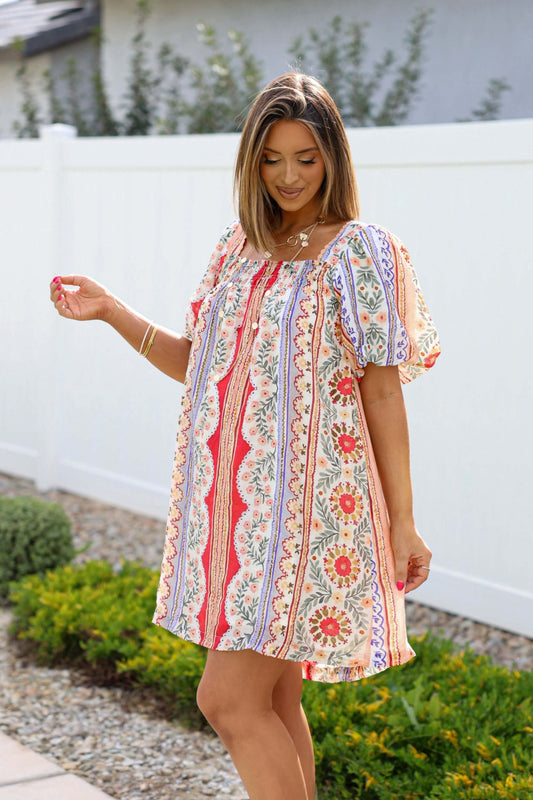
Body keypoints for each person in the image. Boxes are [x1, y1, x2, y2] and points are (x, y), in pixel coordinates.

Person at [50, 73, 440, 800]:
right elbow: (199, 366)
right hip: (231, 506)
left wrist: (403, 520)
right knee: (274, 700)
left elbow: (382, 391)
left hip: (312, 511)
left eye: (305, 158)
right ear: (250, 163)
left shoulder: (362, 251)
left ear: (333, 158)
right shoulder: (238, 248)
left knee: (226, 700)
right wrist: (112, 311)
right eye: (271, 159)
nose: (288, 176)